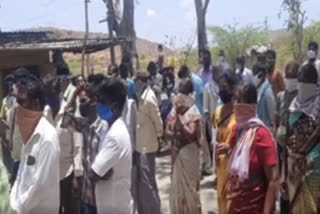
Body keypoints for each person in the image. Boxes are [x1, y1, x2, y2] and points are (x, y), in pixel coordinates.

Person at [221, 83, 278, 214]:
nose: (235, 104)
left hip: (254, 206)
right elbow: (240, 160)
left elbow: (272, 179)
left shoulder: (261, 135)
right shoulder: (238, 130)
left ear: (248, 105)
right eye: (234, 99)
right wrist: (229, 149)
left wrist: (266, 211)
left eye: (238, 100)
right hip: (236, 204)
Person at [10, 74, 60, 214]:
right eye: (16, 101)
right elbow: (21, 176)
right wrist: (13, 200)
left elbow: (39, 186)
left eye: (22, 101)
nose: (17, 106)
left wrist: (17, 208)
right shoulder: (30, 134)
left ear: (36, 104)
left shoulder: (47, 138)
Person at [90, 77, 133, 214]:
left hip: (116, 208)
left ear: (114, 107)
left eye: (102, 102)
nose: (98, 106)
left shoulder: (115, 136)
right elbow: (101, 172)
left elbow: (93, 175)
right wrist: (103, 171)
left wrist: (100, 172)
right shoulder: (109, 128)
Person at [283, 63, 320, 214]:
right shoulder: (293, 106)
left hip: (314, 171)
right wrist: (283, 174)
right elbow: (286, 142)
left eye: (307, 81)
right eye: (301, 80)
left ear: (315, 83)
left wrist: (310, 159)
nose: (303, 84)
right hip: (293, 172)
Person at [166, 79, 202, 214]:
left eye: (183, 91)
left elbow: (192, 134)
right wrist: (173, 131)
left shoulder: (193, 111)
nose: (180, 94)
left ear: (189, 94)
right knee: (177, 191)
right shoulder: (174, 110)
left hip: (189, 154)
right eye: (179, 91)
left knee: (190, 190)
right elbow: (167, 131)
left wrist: (181, 121)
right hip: (177, 154)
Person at [134, 71, 163, 214]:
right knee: (144, 183)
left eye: (137, 81)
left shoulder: (149, 99)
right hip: (140, 145)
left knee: (147, 183)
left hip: (148, 145)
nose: (135, 84)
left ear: (142, 82)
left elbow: (158, 122)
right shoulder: (140, 97)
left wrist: (158, 136)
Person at [274, 61, 299, 214]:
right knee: (281, 181)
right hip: (280, 145)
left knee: (293, 181)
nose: (290, 80)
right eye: (288, 77)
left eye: (293, 77)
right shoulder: (280, 96)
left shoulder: (300, 99)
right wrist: (276, 135)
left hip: (295, 147)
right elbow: (276, 119)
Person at [213, 71, 238, 214]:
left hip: (234, 165)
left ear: (233, 89)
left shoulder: (240, 112)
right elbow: (214, 136)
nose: (222, 90)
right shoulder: (217, 112)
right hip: (221, 165)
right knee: (222, 200)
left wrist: (230, 147)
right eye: (220, 87)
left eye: (225, 87)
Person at [252, 63, 276, 130]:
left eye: (254, 74)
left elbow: (272, 115)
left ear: (261, 75)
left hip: (266, 129)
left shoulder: (267, 92)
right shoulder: (258, 89)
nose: (253, 77)